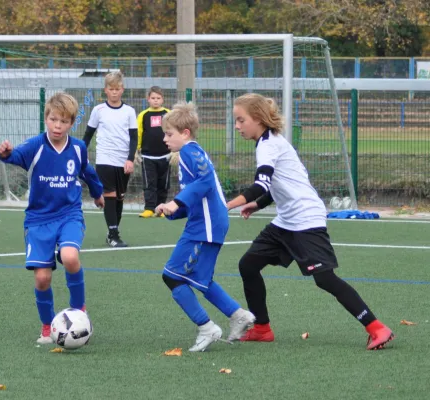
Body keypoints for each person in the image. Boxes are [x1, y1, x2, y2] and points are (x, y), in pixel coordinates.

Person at [227, 93, 394, 350]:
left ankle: (377, 327)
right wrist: (257, 204)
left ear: (258, 119)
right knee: (248, 265)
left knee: (324, 279)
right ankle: (262, 328)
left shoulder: (269, 145)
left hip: (306, 220)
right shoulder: (269, 142)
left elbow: (261, 183)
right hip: (286, 222)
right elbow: (277, 185)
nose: (237, 126)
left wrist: (226, 205)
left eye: (240, 120)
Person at [0, 93, 105, 344]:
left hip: (69, 214)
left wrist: (99, 195)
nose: (58, 126)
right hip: (38, 220)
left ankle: (79, 310)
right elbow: (14, 156)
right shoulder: (35, 146)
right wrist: (5, 153)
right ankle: (48, 326)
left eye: (64, 121)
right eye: (53, 119)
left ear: (72, 123)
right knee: (42, 277)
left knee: (69, 256)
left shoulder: (77, 148)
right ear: (46, 118)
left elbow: (88, 173)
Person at [155, 102, 255, 352]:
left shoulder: (190, 151)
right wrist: (173, 211)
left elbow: (205, 181)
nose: (165, 140)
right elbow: (198, 193)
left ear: (185, 133)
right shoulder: (188, 154)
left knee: (172, 276)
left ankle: (206, 327)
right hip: (207, 223)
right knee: (201, 278)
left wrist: (176, 202)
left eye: (169, 134)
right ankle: (238, 315)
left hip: (206, 226)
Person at [83, 71, 138, 248]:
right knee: (110, 195)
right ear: (105, 90)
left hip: (123, 161)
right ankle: (114, 235)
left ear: (123, 90)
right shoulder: (98, 110)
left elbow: (134, 138)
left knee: (120, 197)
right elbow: (88, 135)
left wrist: (130, 159)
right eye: (111, 88)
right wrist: (80, 153)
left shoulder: (129, 111)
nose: (114, 92)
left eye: (117, 89)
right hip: (104, 159)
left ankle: (112, 232)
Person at [136, 86, 171, 218]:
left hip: (166, 156)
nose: (155, 101)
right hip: (147, 156)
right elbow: (138, 133)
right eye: (153, 98)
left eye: (158, 98)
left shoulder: (168, 113)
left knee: (163, 184)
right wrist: (135, 150)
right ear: (148, 99)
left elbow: (174, 131)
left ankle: (161, 208)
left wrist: (175, 151)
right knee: (149, 183)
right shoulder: (143, 115)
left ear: (163, 99)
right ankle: (149, 208)